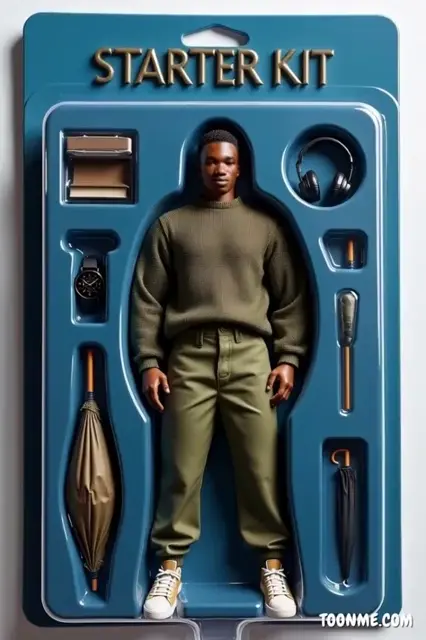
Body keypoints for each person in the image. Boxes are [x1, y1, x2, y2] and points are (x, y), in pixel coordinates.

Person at [130, 128, 309, 620]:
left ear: (240, 166)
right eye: (211, 161)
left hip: (251, 356)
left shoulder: (265, 227)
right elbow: (147, 301)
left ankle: (272, 564)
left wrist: (288, 357)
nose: (220, 169)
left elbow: (290, 299)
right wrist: (149, 361)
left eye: (228, 161)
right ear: (199, 165)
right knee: (180, 469)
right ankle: (170, 568)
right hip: (187, 358)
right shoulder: (171, 225)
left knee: (260, 468)